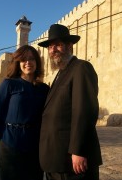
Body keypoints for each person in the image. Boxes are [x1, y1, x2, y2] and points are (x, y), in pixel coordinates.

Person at [38, 24, 102, 180]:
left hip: (71, 161)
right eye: (50, 46)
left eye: (58, 45)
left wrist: (78, 150)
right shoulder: (61, 74)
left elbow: (84, 112)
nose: (53, 50)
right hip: (56, 159)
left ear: (69, 46)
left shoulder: (81, 68)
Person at [0, 45, 50, 180]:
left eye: (32, 59)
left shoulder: (44, 89)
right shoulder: (9, 84)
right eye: (24, 60)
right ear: (18, 63)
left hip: (34, 151)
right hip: (9, 148)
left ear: (37, 62)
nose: (28, 62)